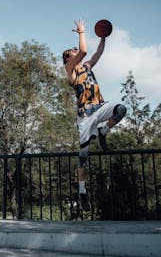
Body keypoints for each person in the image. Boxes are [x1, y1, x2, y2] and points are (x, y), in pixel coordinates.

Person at [62, 18, 127, 212]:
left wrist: (103, 36)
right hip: (85, 116)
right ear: (68, 58)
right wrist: (82, 32)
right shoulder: (70, 70)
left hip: (99, 106)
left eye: (75, 49)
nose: (76, 50)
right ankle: (82, 192)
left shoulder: (87, 66)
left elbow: (97, 52)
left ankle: (104, 132)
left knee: (121, 109)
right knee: (83, 155)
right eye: (71, 51)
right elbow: (83, 50)